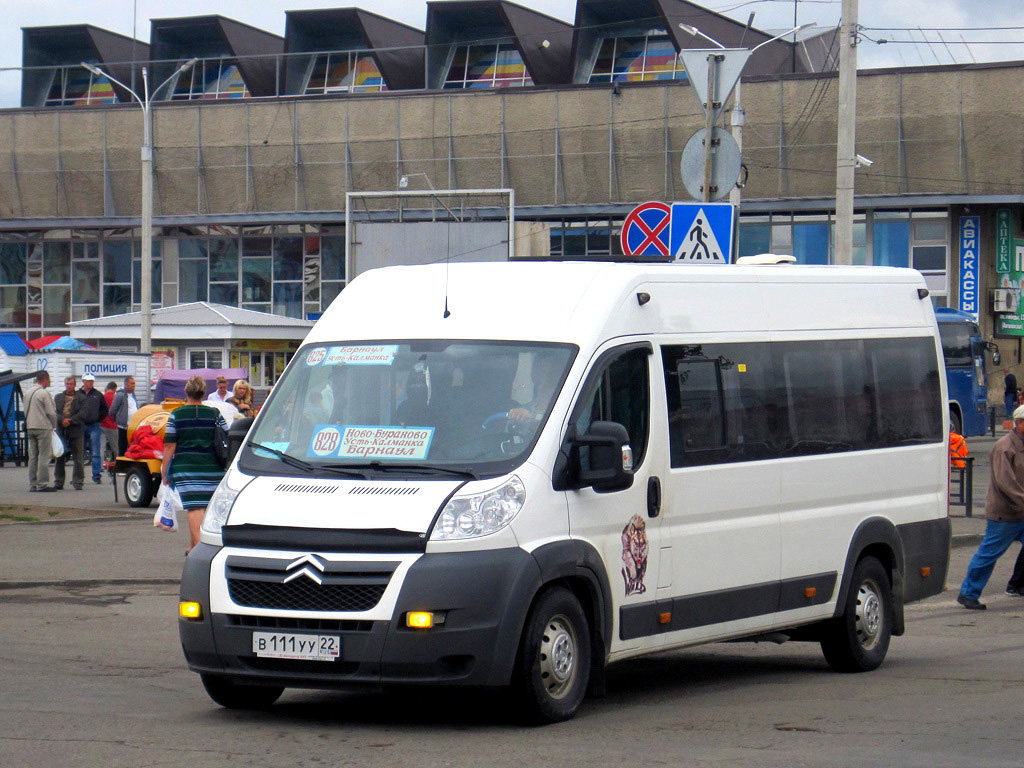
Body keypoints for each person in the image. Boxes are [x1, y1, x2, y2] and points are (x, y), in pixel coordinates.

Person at [957, 404, 1024, 609]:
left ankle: (1018, 585)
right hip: (1005, 513)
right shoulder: (1005, 447)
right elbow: (1006, 483)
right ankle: (968, 593)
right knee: (988, 554)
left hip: (1021, 511)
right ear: (1019, 423)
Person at [161, 375, 229, 552]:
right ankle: (193, 546)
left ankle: (200, 550)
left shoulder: (177, 414)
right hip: (213, 468)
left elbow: (169, 445)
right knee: (205, 507)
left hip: (186, 468)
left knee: (194, 508)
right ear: (204, 393)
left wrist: (164, 469)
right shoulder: (215, 413)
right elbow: (227, 436)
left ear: (186, 391)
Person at [25, 370, 58, 492]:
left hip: (30, 426)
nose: (49, 382)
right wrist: (53, 425)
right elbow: (50, 412)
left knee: (33, 456)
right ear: (44, 379)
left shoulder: (28, 392)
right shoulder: (44, 393)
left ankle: (32, 484)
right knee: (44, 456)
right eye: (48, 379)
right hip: (43, 427)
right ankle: (42, 484)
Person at [75, 373, 108, 484]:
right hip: (81, 425)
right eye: (89, 381)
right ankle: (79, 476)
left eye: (92, 381)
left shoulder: (98, 395)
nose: (91, 383)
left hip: (94, 425)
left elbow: (104, 409)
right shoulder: (78, 394)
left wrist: (97, 418)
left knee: (96, 452)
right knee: (80, 452)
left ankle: (96, 475)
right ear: (83, 381)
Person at [54, 376, 85, 491]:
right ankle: (58, 481)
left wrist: (70, 421)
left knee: (78, 458)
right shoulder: (58, 397)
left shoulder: (81, 398)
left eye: (71, 384)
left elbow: (83, 413)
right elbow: (54, 412)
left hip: (76, 430)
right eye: (67, 383)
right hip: (61, 430)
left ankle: (78, 482)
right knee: (60, 456)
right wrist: (62, 420)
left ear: (75, 385)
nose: (69, 386)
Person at [110, 376, 139, 456]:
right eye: (132, 384)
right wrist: (118, 420)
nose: (134, 386)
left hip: (132, 427)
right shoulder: (120, 395)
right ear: (126, 384)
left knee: (132, 448)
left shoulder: (133, 395)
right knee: (122, 448)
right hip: (123, 427)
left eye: (134, 384)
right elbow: (112, 410)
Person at [100, 381, 118, 462]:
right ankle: (119, 464)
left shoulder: (102, 397)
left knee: (101, 447)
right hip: (112, 425)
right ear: (115, 389)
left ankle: (100, 466)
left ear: (107, 388)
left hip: (102, 424)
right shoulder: (115, 397)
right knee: (116, 447)